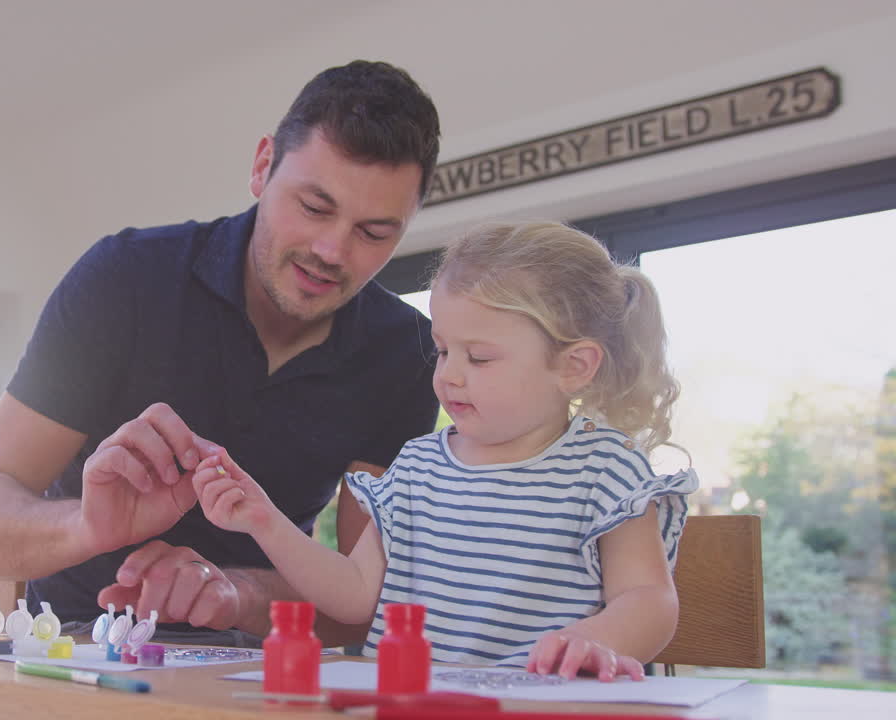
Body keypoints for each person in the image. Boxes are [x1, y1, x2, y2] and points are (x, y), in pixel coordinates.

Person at [0, 60, 443, 645]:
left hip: (259, 665)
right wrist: (88, 524)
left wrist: (238, 595)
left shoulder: (405, 352)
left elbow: (368, 603)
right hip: (73, 649)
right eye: (314, 207)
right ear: (262, 167)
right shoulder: (125, 279)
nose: (332, 251)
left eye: (374, 233)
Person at [192, 220, 699, 677]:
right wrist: (265, 521)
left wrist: (597, 641)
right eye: (442, 350)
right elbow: (354, 592)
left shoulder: (606, 470)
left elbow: (649, 598)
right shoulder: (418, 466)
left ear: (573, 367)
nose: (450, 374)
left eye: (478, 358)